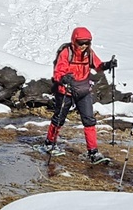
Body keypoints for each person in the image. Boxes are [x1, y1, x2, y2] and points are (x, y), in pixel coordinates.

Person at [47, 27, 116, 165]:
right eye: (81, 42)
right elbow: (58, 72)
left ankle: (93, 152)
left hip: (83, 91)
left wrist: (108, 65)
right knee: (59, 119)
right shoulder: (66, 52)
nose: (84, 45)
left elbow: (98, 66)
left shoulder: (89, 53)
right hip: (65, 91)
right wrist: (64, 78)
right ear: (74, 41)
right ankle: (49, 143)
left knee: (89, 120)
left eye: (87, 43)